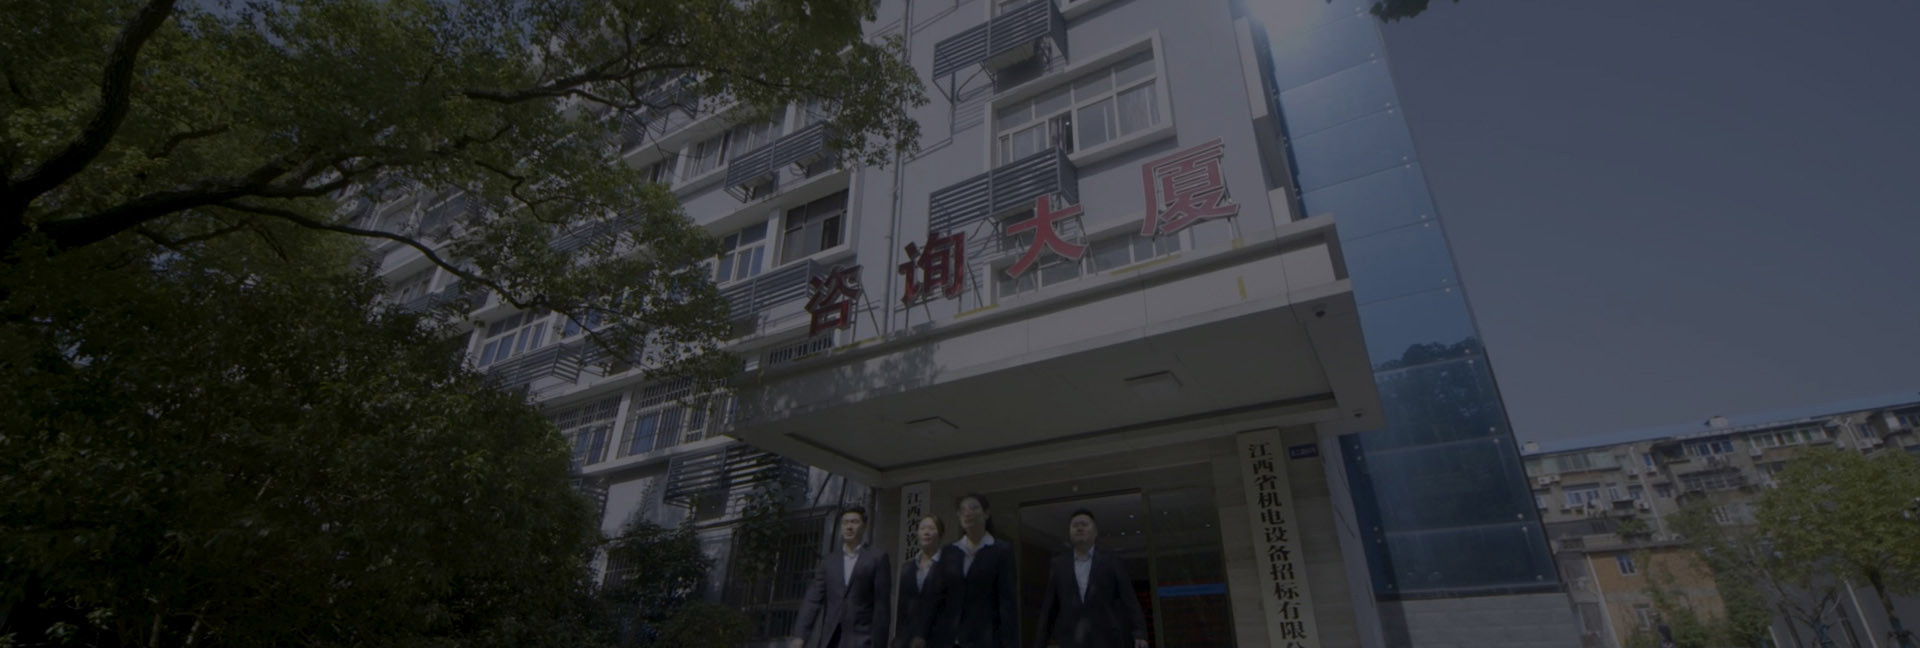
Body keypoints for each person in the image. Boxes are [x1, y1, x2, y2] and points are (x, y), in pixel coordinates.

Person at [1032, 509, 1147, 648]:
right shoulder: (1059, 565)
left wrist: (1140, 632)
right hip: (1071, 640)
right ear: (1069, 532)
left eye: (1084, 524)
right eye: (1075, 525)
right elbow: (1049, 608)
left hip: (1107, 639)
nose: (1079, 528)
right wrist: (1040, 642)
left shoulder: (1111, 561)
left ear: (1095, 532)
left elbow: (1129, 598)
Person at [794, 505, 891, 648]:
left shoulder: (877, 558)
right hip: (832, 639)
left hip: (862, 639)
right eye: (845, 523)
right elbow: (813, 600)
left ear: (864, 526)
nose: (849, 527)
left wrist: (879, 644)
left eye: (854, 522)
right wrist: (800, 636)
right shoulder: (829, 562)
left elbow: (882, 606)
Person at [931, 493, 1017, 648]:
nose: (968, 513)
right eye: (963, 510)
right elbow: (938, 597)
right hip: (949, 639)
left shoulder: (1001, 550)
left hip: (985, 639)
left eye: (973, 508)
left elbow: (1007, 601)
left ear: (986, 513)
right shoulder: (949, 551)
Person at [895, 515, 948, 648]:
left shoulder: (948, 566)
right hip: (908, 641)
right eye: (922, 528)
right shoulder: (907, 568)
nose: (926, 532)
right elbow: (902, 610)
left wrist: (924, 635)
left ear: (941, 534)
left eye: (931, 528)